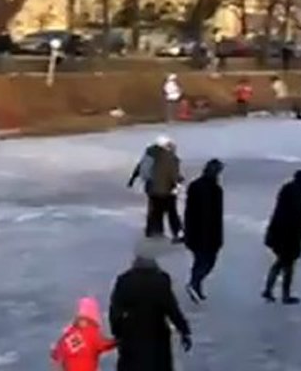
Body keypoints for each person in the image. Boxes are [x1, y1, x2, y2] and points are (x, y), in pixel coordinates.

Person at [109, 240, 192, 371]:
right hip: (157, 334)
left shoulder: (124, 280)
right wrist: (184, 330)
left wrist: (118, 332)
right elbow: (171, 308)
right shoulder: (161, 280)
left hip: (131, 335)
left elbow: (115, 310)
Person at [262, 169, 301, 304]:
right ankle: (284, 294)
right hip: (288, 233)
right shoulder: (298, 192)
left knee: (281, 263)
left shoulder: (290, 190)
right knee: (287, 265)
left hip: (280, 231)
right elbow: (300, 214)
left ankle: (269, 290)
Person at [183, 159, 224, 302]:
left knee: (200, 261)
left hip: (198, 232)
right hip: (206, 233)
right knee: (207, 261)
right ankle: (195, 284)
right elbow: (213, 216)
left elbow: (189, 211)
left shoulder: (198, 186)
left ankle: (196, 285)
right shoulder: (214, 190)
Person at [50, 296, 116, 371]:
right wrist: (117, 341)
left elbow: (57, 352)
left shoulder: (69, 333)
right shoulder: (91, 332)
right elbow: (102, 344)